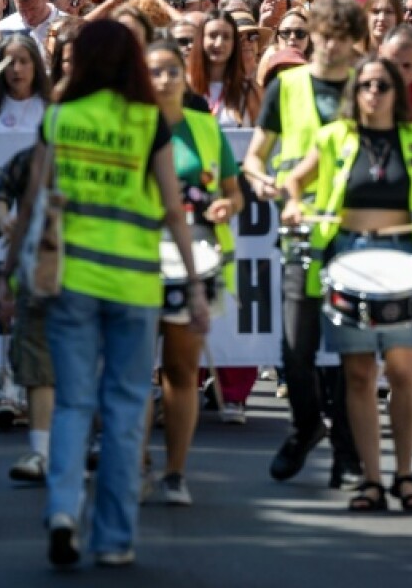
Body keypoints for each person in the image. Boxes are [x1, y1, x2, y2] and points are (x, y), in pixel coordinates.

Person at [0, 20, 208, 569]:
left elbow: (31, 201)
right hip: (136, 283)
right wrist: (195, 284)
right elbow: (172, 208)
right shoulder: (149, 123)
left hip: (72, 281)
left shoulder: (61, 119)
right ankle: (114, 538)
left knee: (72, 402)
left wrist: (8, 271)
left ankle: (63, 511)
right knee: (125, 409)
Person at [281, 56, 412, 511]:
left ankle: (405, 474)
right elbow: (293, 179)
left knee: (403, 372)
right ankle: (371, 479)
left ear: (396, 93)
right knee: (358, 373)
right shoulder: (334, 138)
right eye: (366, 85)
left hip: (405, 261)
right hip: (348, 260)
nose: (373, 93)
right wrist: (293, 202)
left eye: (383, 86)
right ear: (356, 92)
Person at [243, 0, 362, 489]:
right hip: (300, 228)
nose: (331, 47)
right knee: (297, 348)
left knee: (352, 350)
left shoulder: (367, 84)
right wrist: (260, 180)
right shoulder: (287, 86)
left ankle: (348, 449)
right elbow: (255, 156)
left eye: (341, 38)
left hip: (356, 231)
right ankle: (308, 424)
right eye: (324, 35)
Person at [144, 39, 243, 504]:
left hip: (197, 256)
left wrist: (227, 204)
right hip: (138, 256)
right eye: (155, 71)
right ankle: (135, 464)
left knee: (181, 372)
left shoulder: (205, 128)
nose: (164, 79)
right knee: (133, 372)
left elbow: (234, 191)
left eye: (172, 71)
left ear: (186, 77)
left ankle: (175, 472)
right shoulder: (130, 127)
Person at [0, 33, 51, 133]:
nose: (17, 69)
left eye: (23, 62)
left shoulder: (49, 107)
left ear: (35, 65)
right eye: (10, 63)